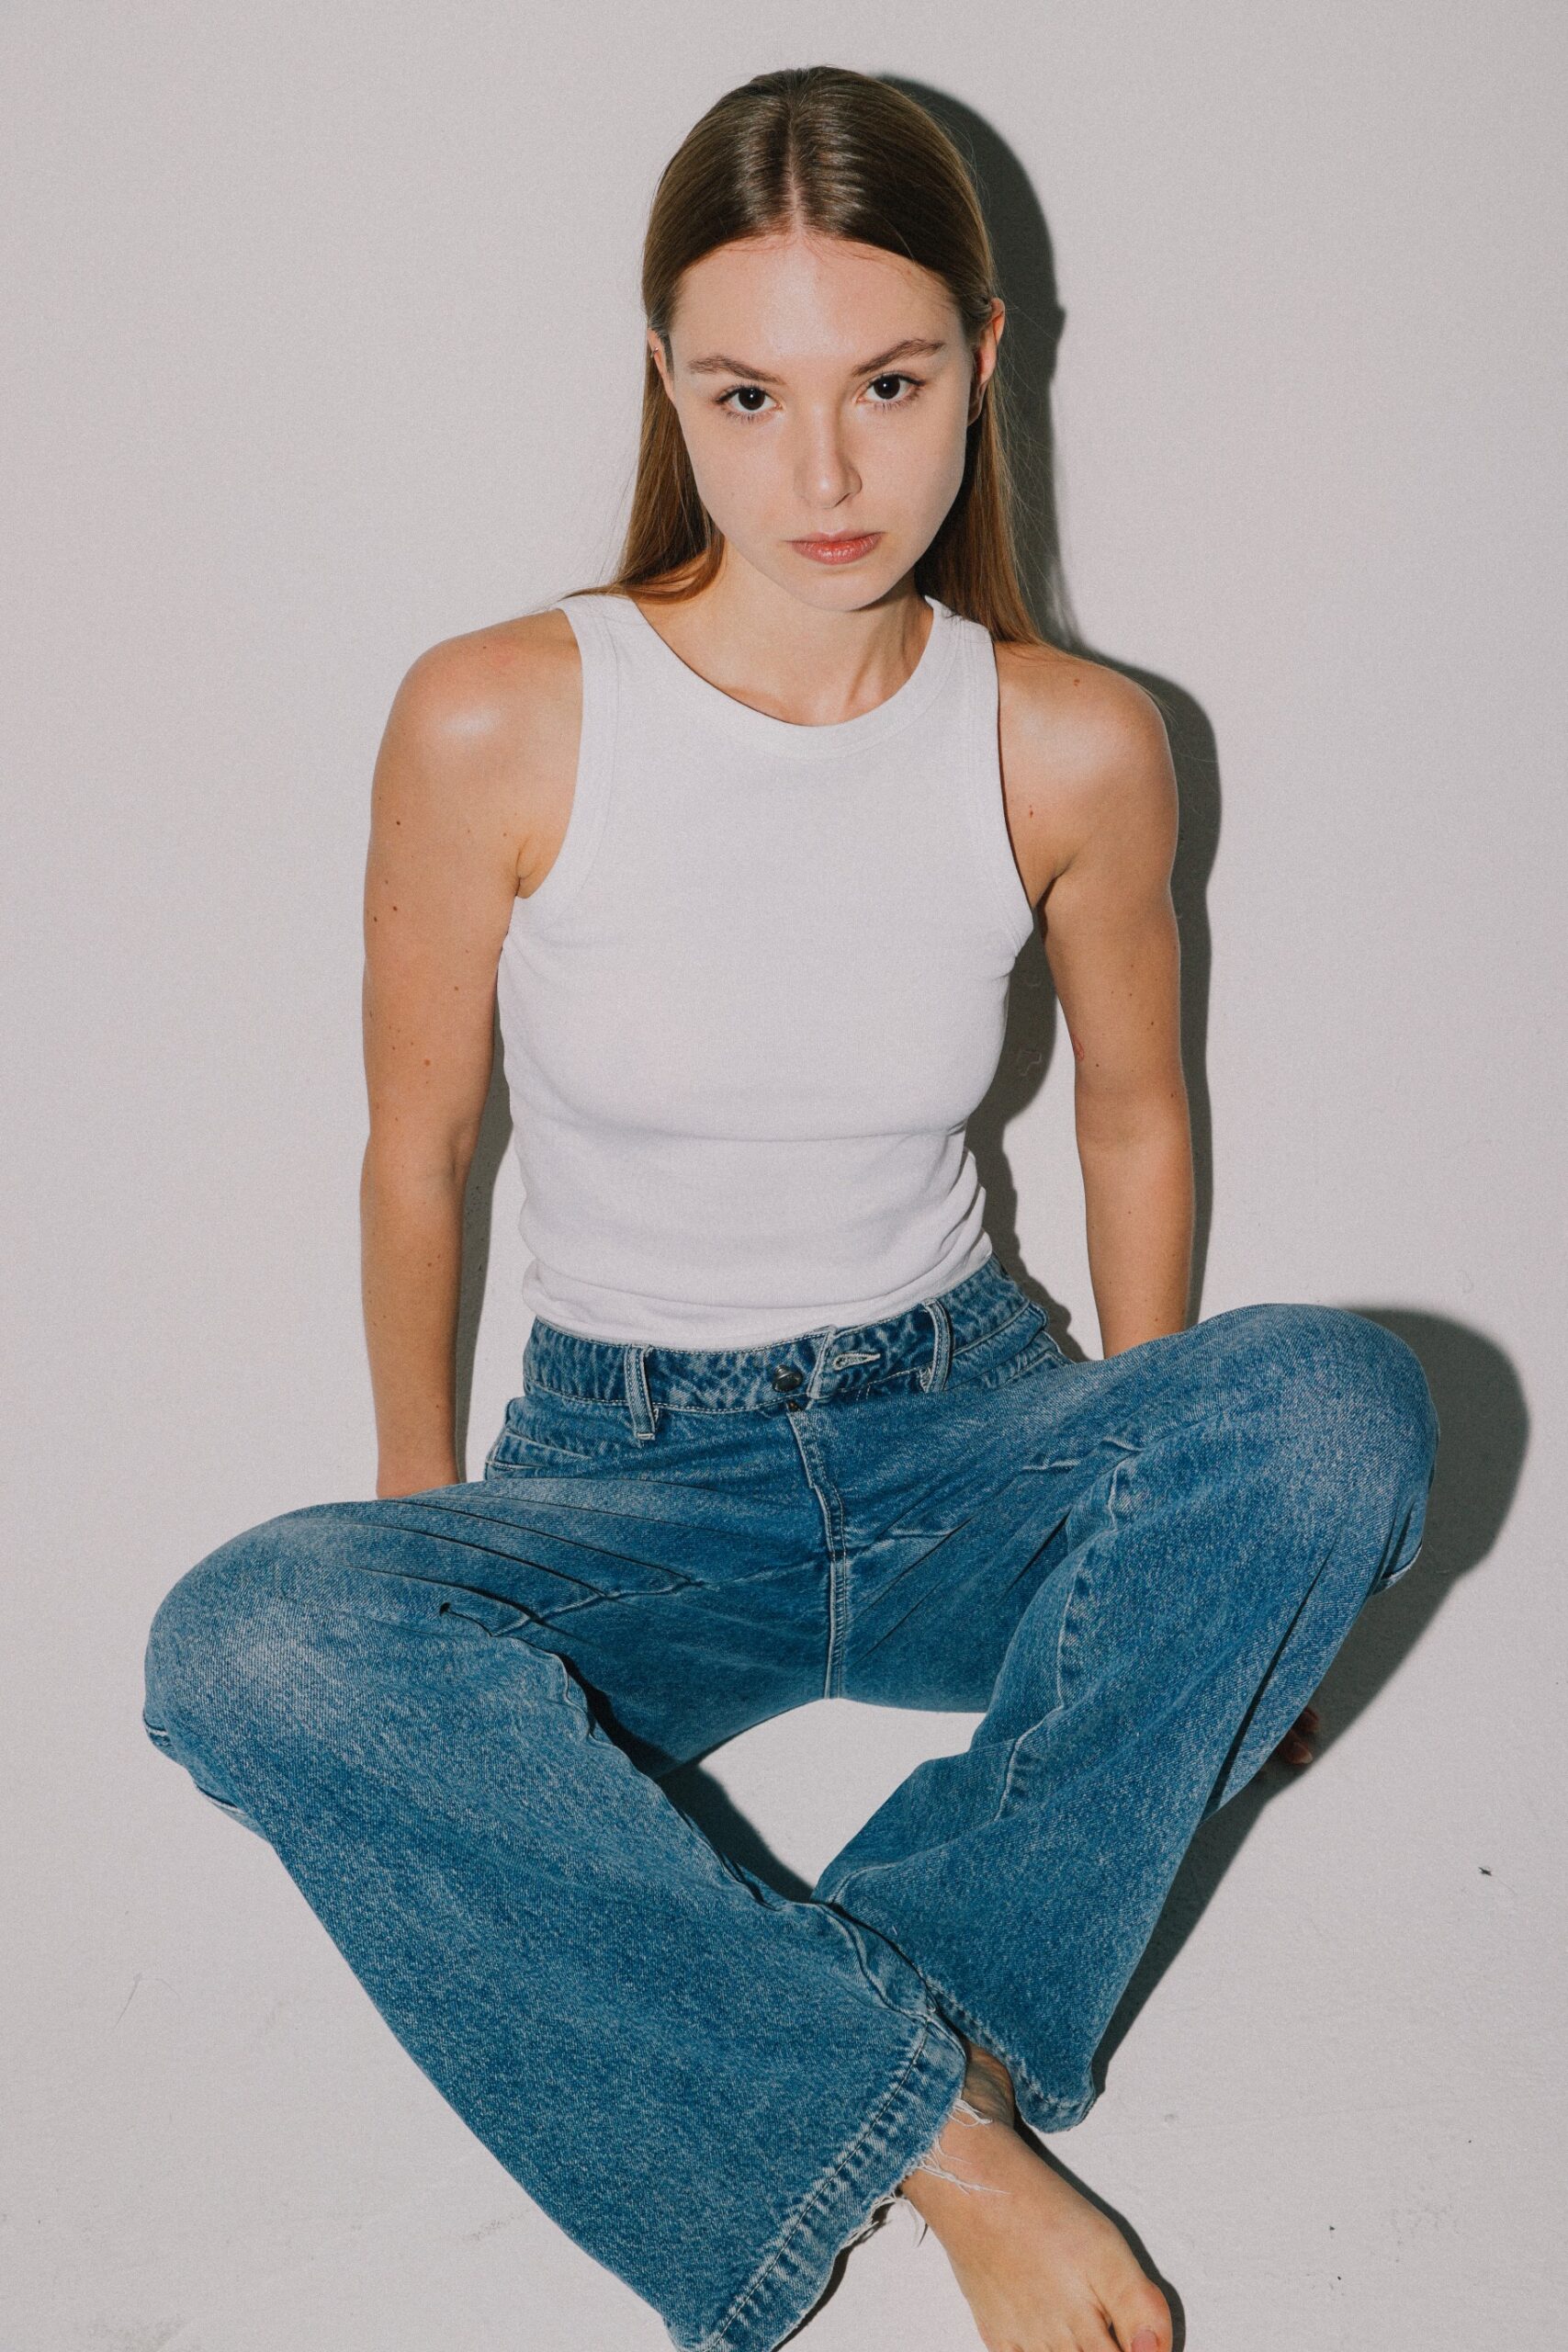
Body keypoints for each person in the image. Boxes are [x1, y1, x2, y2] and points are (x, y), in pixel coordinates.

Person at [141, 63, 1438, 2352]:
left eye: (887, 385)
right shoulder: (495, 714)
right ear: (664, 380)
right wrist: (432, 1550)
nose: (822, 474)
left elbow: (1134, 1118)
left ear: (984, 367)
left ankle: (831, 2053)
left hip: (965, 1433)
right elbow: (416, 1148)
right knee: (248, 1640)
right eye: (747, 394)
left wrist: (1173, 1569)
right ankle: (942, 2130)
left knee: (1338, 1401)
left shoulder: (1070, 736)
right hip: (619, 1482)